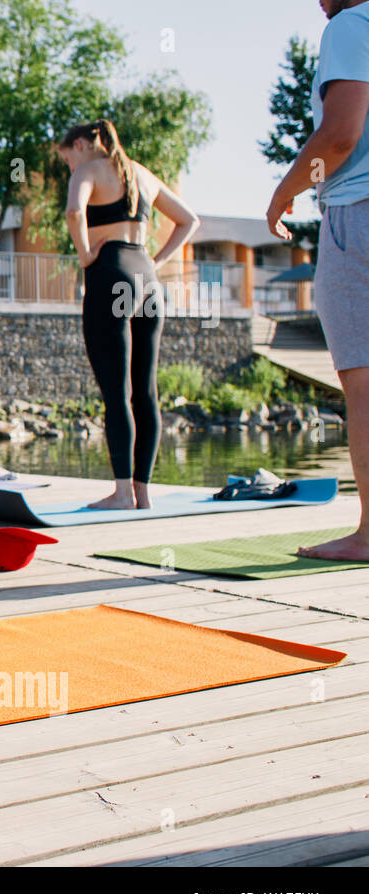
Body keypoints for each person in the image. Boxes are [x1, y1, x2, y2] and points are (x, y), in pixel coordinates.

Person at [268, 0, 369, 561]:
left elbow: (339, 137)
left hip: (357, 211)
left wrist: (282, 195)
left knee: (363, 382)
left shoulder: (351, 26)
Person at [59, 120, 198, 509]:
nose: (70, 167)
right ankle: (143, 492)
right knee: (146, 391)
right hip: (148, 280)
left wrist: (86, 254)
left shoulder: (89, 170)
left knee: (117, 391)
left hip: (110, 273)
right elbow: (189, 220)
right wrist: (156, 260)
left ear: (84, 144)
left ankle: (121, 493)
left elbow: (74, 212)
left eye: (68, 158)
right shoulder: (141, 173)